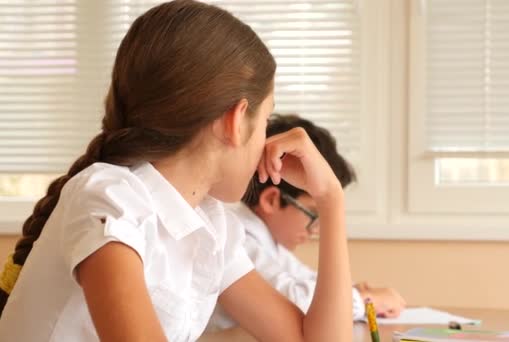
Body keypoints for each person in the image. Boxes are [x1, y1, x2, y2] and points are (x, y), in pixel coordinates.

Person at [0, 1, 353, 341]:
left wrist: (330, 200)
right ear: (234, 121)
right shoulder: (110, 199)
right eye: (264, 120)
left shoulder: (211, 226)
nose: (266, 141)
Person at [206, 114, 406, 332]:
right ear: (272, 200)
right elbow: (297, 301)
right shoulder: (238, 235)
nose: (316, 229)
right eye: (313, 214)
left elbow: (309, 280)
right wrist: (365, 299)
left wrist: (350, 291)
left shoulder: (270, 244)